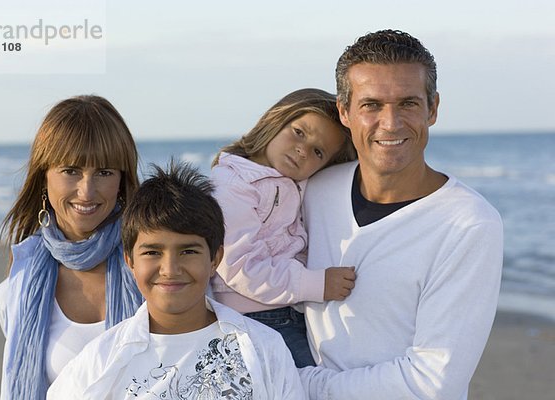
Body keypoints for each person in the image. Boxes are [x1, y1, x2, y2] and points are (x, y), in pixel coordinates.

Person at [299, 30, 504, 399]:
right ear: (344, 111)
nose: (390, 123)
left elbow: (432, 383)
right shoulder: (314, 191)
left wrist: (299, 383)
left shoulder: (468, 224)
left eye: (408, 103)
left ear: (433, 108)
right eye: (371, 105)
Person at [46, 161, 306, 399]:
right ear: (130, 261)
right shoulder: (101, 361)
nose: (170, 269)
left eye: (188, 251)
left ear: (215, 258)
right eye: (152, 252)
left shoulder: (262, 347)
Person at [0, 95, 143, 400]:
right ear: (44, 175)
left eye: (104, 172)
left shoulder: (150, 260)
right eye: (71, 170)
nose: (87, 191)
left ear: (122, 179)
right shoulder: (23, 271)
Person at [209, 88, 357, 367]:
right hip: (253, 318)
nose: (302, 150)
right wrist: (318, 284)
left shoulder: (294, 184)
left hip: (290, 310)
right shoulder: (234, 183)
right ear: (275, 121)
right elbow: (239, 266)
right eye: (299, 132)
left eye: (318, 152)